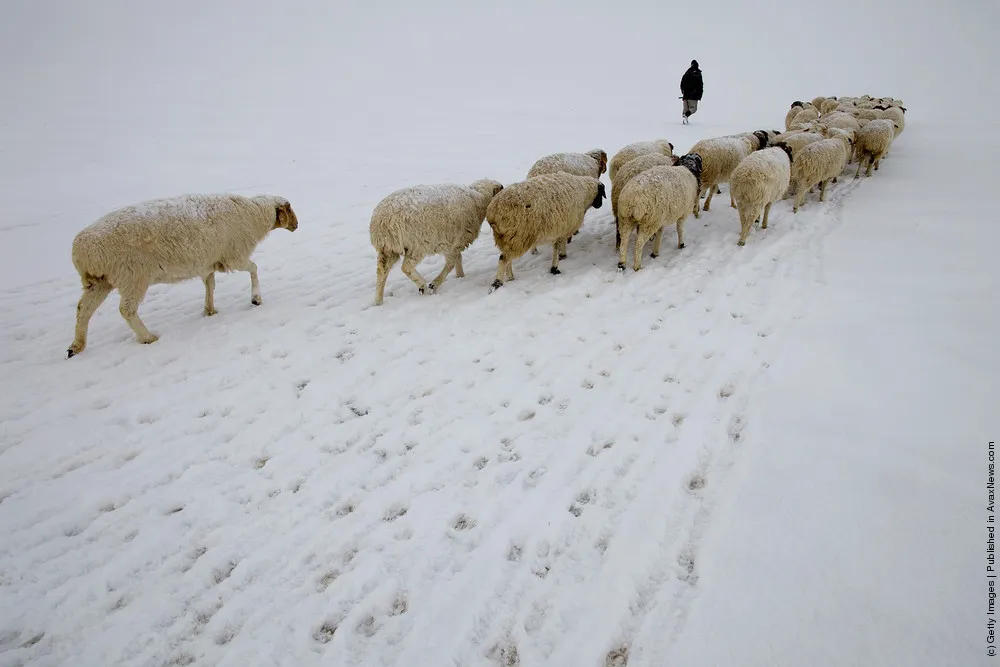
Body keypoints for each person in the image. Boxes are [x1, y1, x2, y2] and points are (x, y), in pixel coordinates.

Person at [680, 60, 703, 124]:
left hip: (686, 94)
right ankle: (686, 116)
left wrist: (683, 91)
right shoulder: (697, 73)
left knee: (685, 108)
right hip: (693, 95)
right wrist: (699, 94)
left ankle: (684, 119)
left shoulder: (687, 72)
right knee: (693, 108)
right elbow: (700, 85)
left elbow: (682, 82)